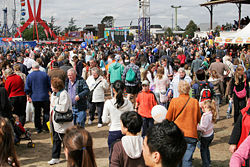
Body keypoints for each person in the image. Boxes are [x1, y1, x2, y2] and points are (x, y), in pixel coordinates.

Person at [166, 80, 201, 167]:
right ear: (189, 89)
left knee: (177, 159)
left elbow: (168, 118)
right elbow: (198, 119)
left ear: (178, 90)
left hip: (177, 133)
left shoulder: (174, 101)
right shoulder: (194, 102)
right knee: (187, 160)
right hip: (191, 133)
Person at [48, 77, 73, 165]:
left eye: (52, 86)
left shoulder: (63, 94)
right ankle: (55, 157)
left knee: (65, 141)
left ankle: (69, 157)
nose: (51, 87)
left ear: (56, 86)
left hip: (63, 123)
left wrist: (55, 106)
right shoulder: (55, 93)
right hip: (56, 122)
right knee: (56, 140)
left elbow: (63, 108)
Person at [102, 80, 133, 151]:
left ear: (113, 90)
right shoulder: (128, 103)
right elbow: (132, 118)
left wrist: (111, 119)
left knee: (113, 157)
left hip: (113, 131)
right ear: (124, 90)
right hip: (126, 132)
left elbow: (104, 120)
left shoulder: (108, 103)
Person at [25, 62, 51, 133]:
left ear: (32, 68)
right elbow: (49, 85)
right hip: (44, 96)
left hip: (35, 97)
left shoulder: (30, 76)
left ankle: (38, 128)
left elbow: (27, 88)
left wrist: (28, 95)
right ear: (38, 67)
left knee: (37, 113)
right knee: (46, 113)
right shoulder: (45, 75)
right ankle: (46, 127)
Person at [197, 100, 217, 167]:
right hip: (210, 134)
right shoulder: (211, 114)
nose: (201, 109)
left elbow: (203, 128)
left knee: (203, 150)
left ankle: (205, 164)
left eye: (202, 107)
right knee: (206, 148)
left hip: (205, 136)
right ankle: (208, 161)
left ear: (205, 107)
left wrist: (196, 126)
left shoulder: (205, 116)